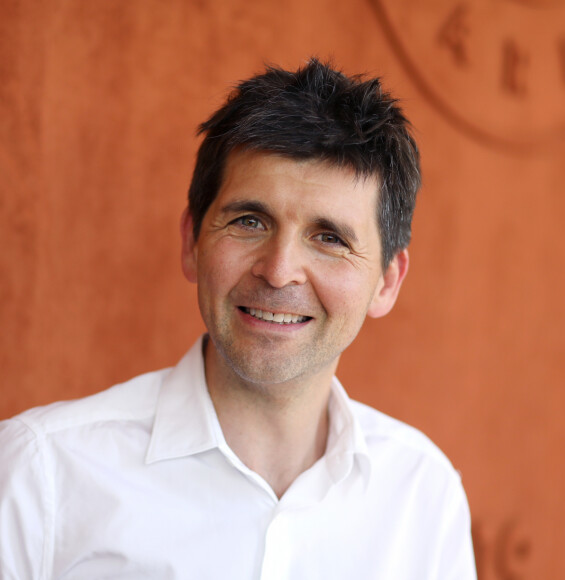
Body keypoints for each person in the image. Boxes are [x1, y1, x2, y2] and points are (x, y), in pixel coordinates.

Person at [0, 59, 477, 579]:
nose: (278, 272)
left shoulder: (422, 494)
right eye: (250, 221)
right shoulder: (40, 472)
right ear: (192, 242)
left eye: (330, 238)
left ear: (387, 280)